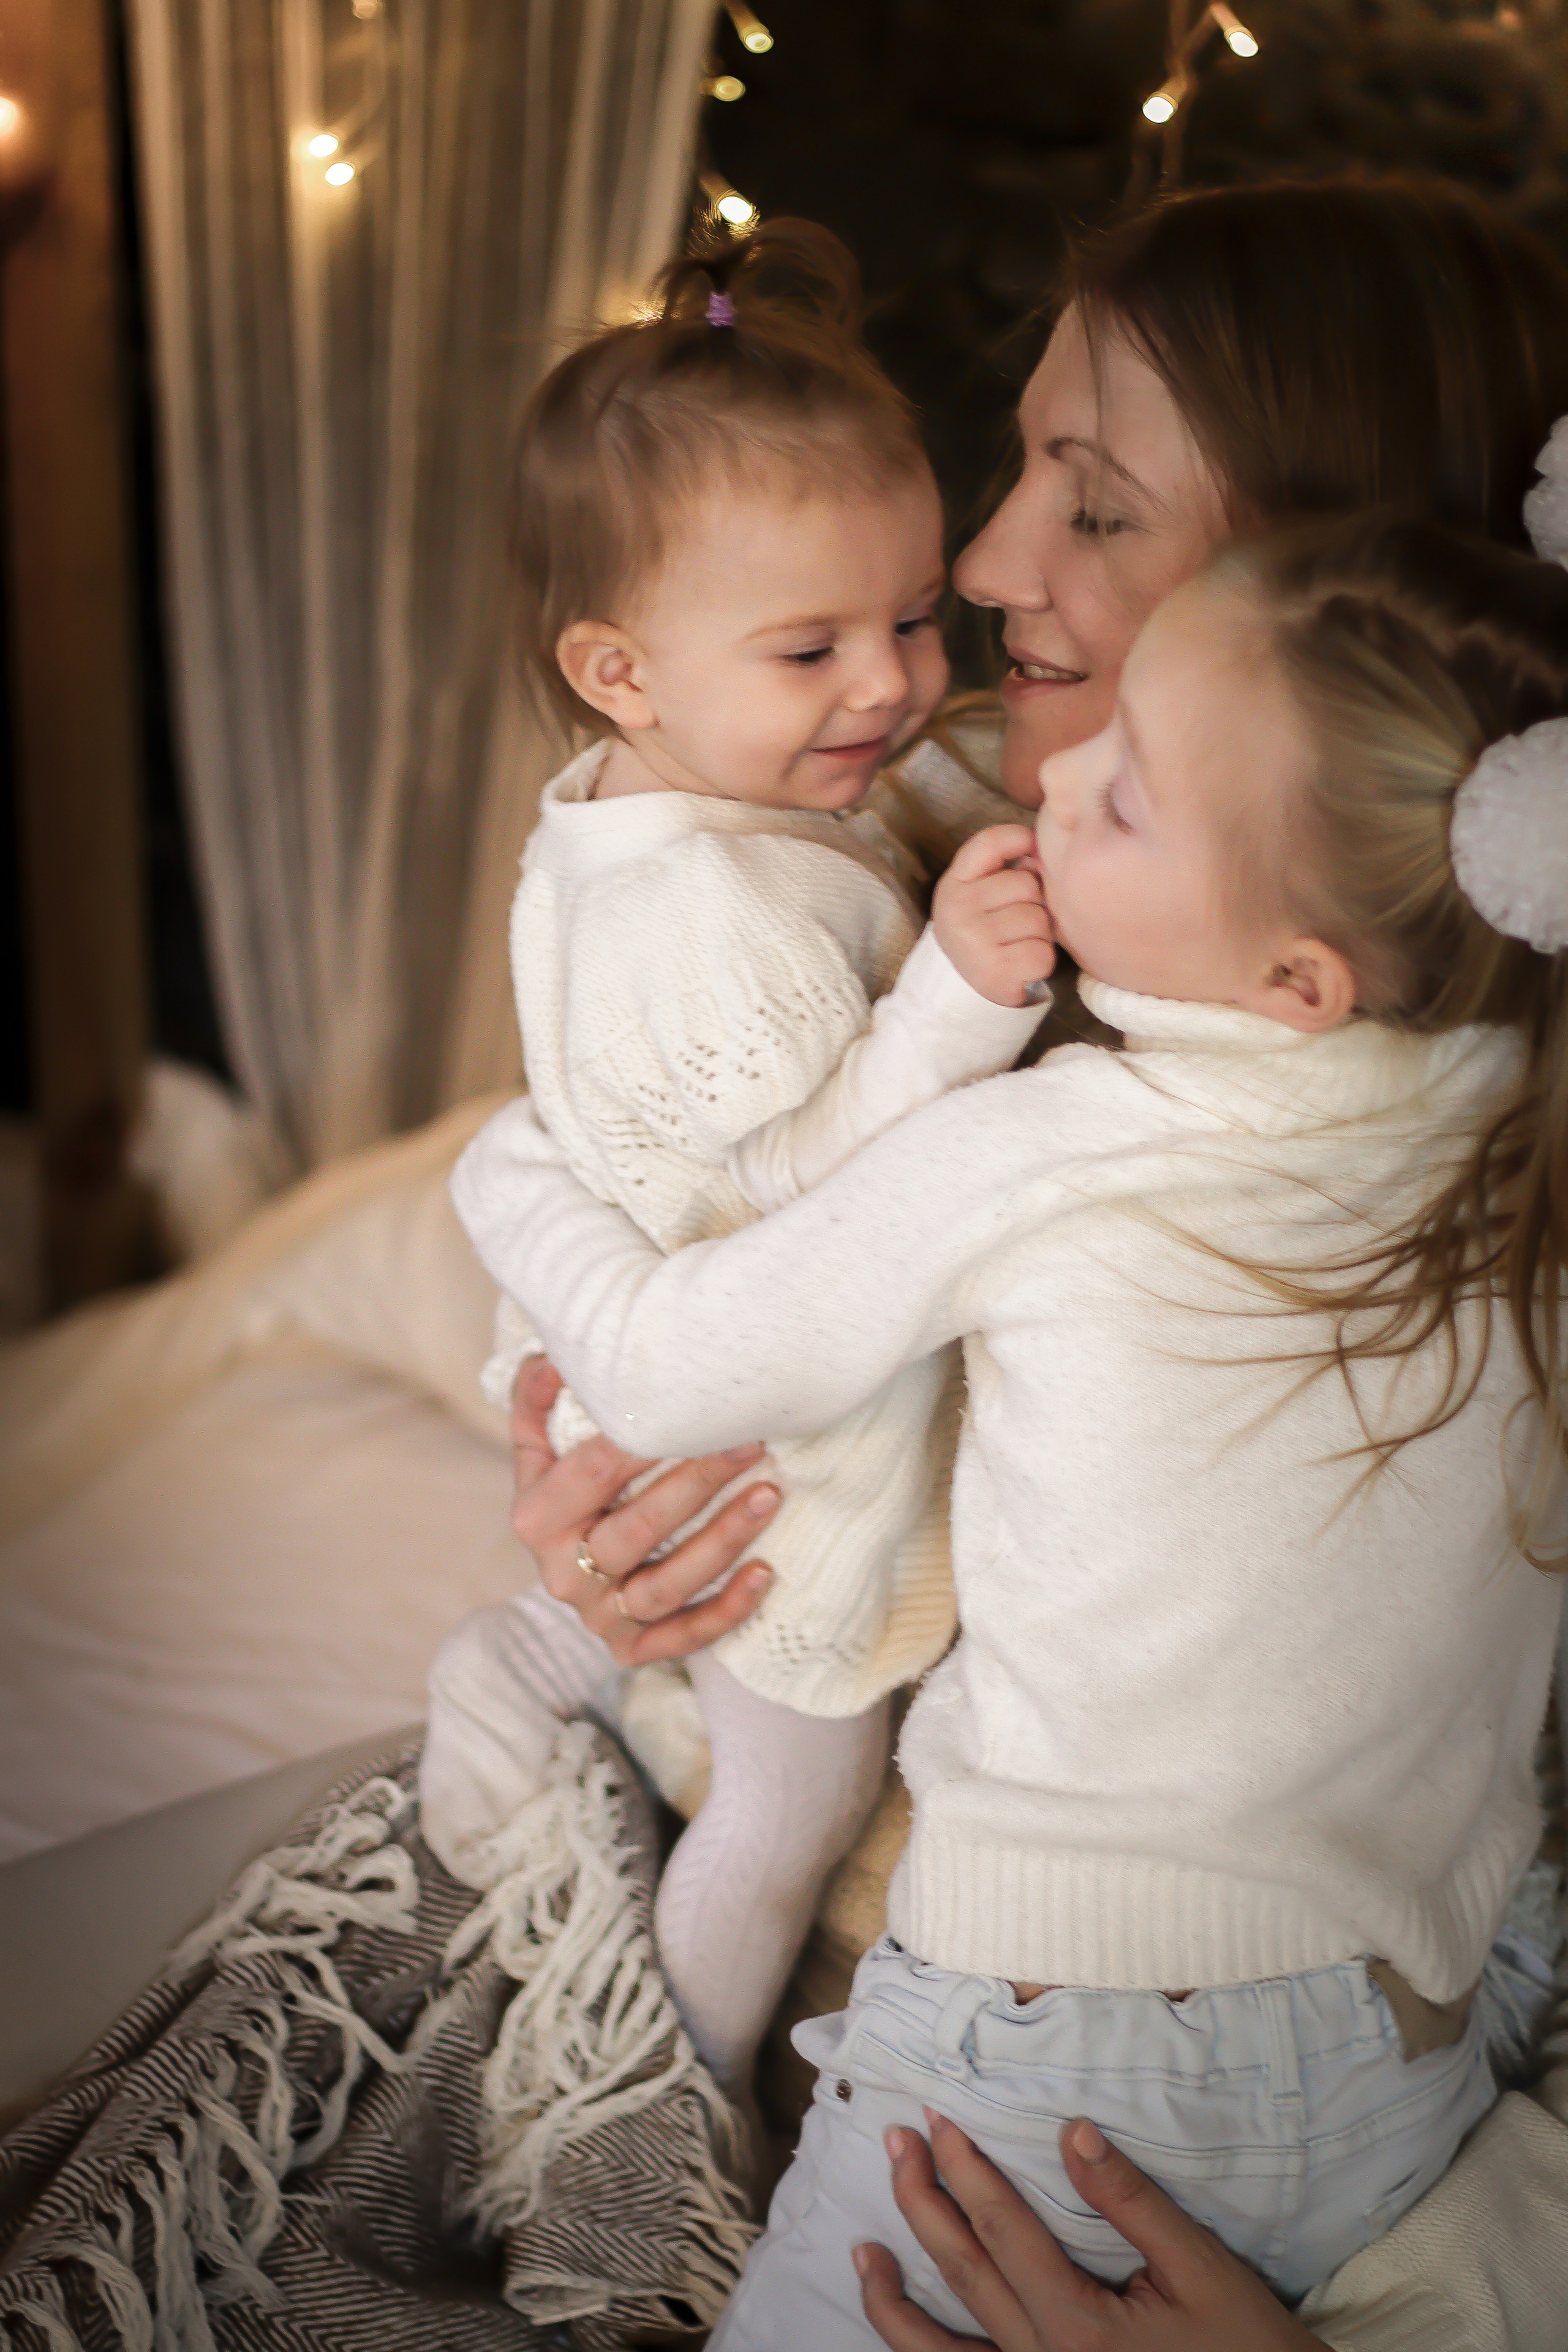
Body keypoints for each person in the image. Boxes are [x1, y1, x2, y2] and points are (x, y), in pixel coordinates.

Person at [493, 181, 1568, 2340]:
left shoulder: (1437, 1108)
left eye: (1090, 504)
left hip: (1170, 2087)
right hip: (880, 1964)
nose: (976, 576)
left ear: (1337, 579)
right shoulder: (872, 810)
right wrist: (588, 1510)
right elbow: (669, 1263)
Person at [421, 218, 1051, 2106]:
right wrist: (952, 1005)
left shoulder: (693, 790)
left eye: (912, 619)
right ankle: (649, 2115)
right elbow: (789, 1198)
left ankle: (528, 1662)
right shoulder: (709, 911)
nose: (889, 686)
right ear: (618, 669)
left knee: (670, 1665)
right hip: (769, 1457)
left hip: (670, 1383)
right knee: (795, 1807)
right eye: (812, 648)